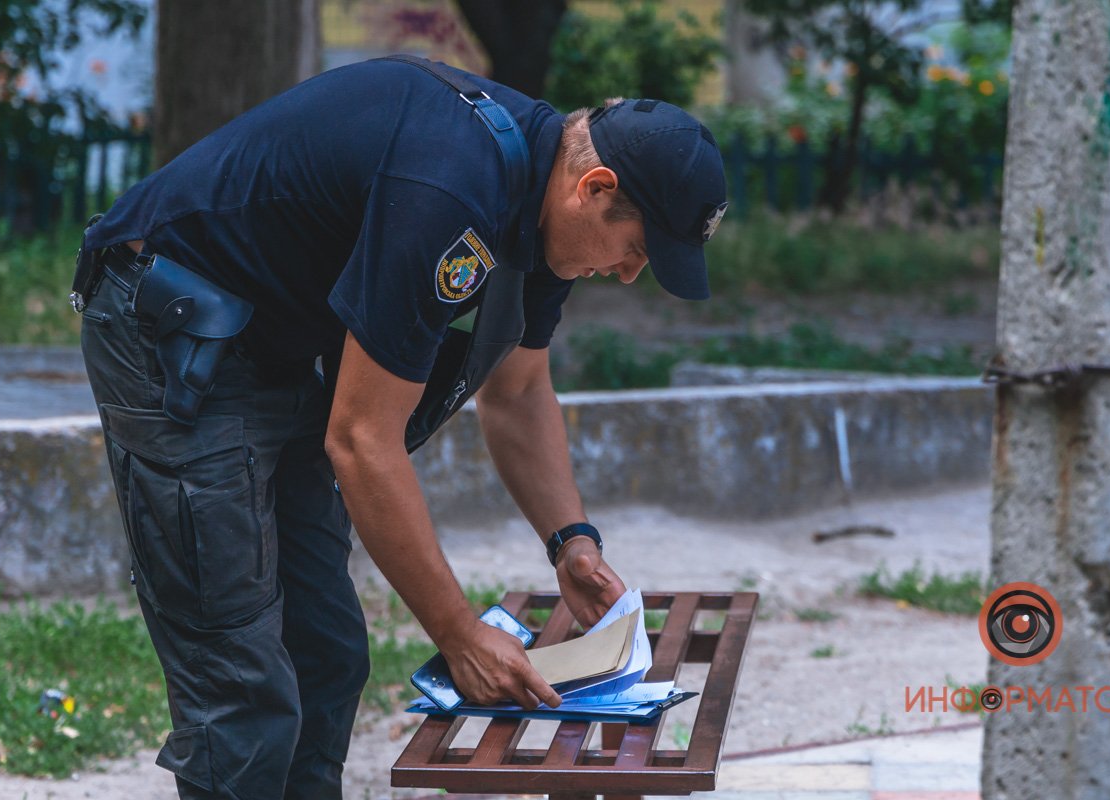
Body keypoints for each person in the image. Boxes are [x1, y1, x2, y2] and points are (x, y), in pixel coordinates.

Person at [73, 55, 727, 800]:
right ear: (595, 188)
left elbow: (516, 391)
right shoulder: (450, 190)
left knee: (326, 653)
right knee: (240, 686)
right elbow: (361, 442)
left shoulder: (540, 206)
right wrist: (458, 633)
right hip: (168, 325)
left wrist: (570, 541)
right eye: (638, 248)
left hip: (269, 341)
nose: (632, 273)